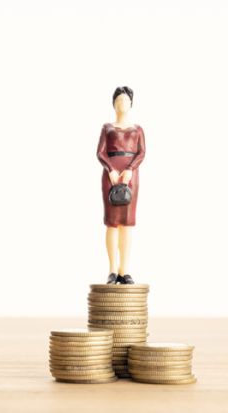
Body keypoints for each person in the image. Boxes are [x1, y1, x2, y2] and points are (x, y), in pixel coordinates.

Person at [96, 86, 146, 284]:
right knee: (112, 223)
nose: (122, 104)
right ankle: (112, 270)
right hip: (111, 176)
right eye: (119, 100)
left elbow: (141, 153)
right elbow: (100, 152)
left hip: (130, 177)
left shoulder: (138, 129)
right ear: (113, 103)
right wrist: (111, 170)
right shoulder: (107, 128)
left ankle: (125, 270)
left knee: (127, 223)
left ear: (131, 103)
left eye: (125, 100)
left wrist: (130, 169)